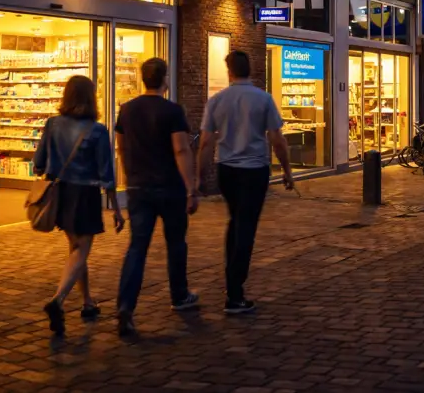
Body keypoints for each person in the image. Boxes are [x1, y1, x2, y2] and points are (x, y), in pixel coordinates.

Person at [198, 51, 294, 315]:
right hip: (254, 170)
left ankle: (231, 281)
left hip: (226, 170)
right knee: (245, 227)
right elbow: (277, 139)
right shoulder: (263, 99)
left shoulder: (217, 100)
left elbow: (206, 142)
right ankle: (235, 292)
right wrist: (287, 171)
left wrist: (198, 178)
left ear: (229, 72)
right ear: (250, 70)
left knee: (234, 221)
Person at [115, 58, 200, 337]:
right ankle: (179, 294)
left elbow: (121, 148)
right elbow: (181, 150)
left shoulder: (126, 110)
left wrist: (129, 177)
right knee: (176, 243)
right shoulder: (172, 111)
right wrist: (191, 187)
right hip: (170, 187)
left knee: (137, 247)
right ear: (164, 79)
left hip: (139, 188)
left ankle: (126, 305)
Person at [34, 75, 124, 336]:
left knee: (76, 248)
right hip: (84, 194)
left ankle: (87, 302)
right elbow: (107, 173)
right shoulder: (96, 130)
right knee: (81, 249)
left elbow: (39, 161)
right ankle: (57, 300)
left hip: (60, 193)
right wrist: (116, 208)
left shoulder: (52, 124)